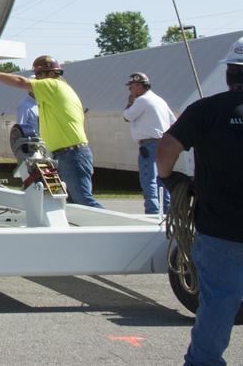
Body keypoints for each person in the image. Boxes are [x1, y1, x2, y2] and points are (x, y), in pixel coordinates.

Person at [156, 42, 243, 366]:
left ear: (229, 73)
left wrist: (171, 179)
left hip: (221, 229)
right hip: (221, 230)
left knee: (219, 304)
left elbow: (166, 146)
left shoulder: (206, 110)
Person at [0, 55, 103, 207]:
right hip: (63, 154)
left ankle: (116, 230)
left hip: (71, 154)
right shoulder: (53, 93)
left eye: (39, 75)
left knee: (83, 200)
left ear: (51, 73)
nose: (36, 80)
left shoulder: (53, 85)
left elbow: (20, 82)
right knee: (67, 202)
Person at [122, 71, 176, 215]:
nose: (130, 90)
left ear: (139, 85)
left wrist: (130, 102)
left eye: (131, 86)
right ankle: (167, 212)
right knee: (163, 179)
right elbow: (173, 122)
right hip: (164, 144)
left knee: (148, 179)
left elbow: (127, 116)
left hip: (149, 144)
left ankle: (152, 212)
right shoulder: (160, 100)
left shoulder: (141, 100)